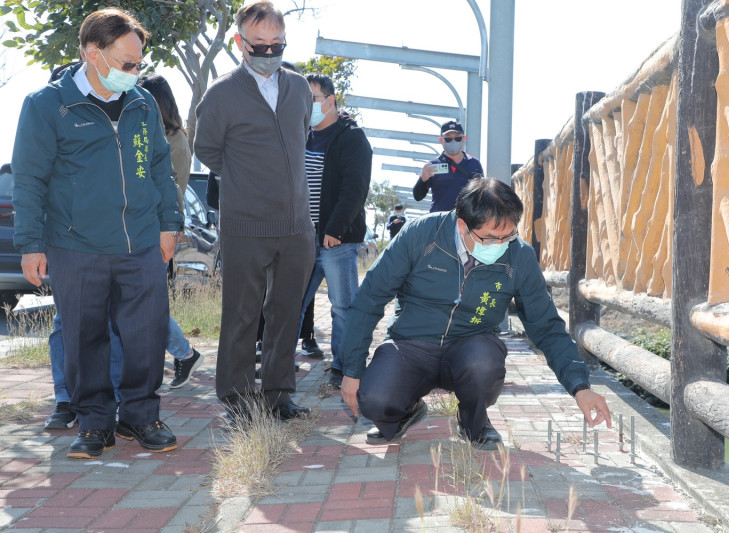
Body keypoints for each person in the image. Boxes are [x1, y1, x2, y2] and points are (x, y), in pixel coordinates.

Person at [12, 8, 183, 458]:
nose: (135, 72)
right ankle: (94, 423)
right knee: (85, 337)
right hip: (75, 244)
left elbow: (161, 171)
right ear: (93, 54)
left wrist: (171, 225)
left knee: (146, 334)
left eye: (139, 64)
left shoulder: (143, 103)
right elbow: (28, 178)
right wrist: (30, 244)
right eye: (127, 64)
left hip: (142, 242)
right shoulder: (47, 105)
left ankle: (141, 416)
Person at [339, 179, 612, 450]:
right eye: (491, 238)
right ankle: (406, 409)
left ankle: (474, 421)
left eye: (509, 235)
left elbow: (546, 326)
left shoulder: (519, 256)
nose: (500, 245)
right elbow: (369, 299)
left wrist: (580, 386)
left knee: (484, 364)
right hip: (411, 344)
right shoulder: (420, 235)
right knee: (374, 399)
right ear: (462, 225)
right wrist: (352, 369)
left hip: (471, 344)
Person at [194, 1, 315, 422]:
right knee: (241, 315)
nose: (268, 51)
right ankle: (237, 398)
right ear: (240, 42)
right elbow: (205, 148)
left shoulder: (300, 88)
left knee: (286, 313)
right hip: (245, 225)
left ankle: (279, 394)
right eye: (258, 43)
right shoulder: (222, 93)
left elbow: (301, 137)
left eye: (276, 43)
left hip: (297, 226)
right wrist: (247, 179)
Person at [297, 72, 372, 389]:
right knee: (292, 304)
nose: (306, 105)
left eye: (311, 98)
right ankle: (277, 369)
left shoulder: (351, 137)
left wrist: (335, 229)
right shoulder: (301, 134)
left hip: (334, 240)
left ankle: (344, 366)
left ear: (329, 100)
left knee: (343, 306)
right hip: (300, 237)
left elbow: (355, 189)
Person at [139, 74, 204, 389]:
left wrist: (171, 229)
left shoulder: (174, 139)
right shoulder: (145, 131)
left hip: (157, 229)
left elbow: (174, 190)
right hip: (136, 229)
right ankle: (181, 353)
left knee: (145, 303)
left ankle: (183, 352)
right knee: (138, 302)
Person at [413, 120, 484, 213]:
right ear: (441, 140)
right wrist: (422, 179)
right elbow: (418, 196)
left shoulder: (474, 164)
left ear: (464, 139)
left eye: (458, 138)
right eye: (448, 139)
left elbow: (482, 195)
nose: (453, 142)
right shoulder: (432, 165)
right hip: (439, 221)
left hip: (466, 221)